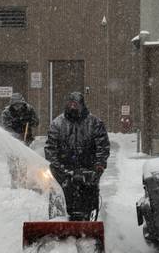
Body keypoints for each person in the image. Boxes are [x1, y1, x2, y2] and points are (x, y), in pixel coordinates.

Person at [44, 92, 110, 221]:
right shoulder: (57, 124)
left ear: (82, 105)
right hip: (63, 171)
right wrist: (60, 169)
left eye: (76, 104)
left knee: (88, 198)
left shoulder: (94, 123)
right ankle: (58, 221)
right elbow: (50, 149)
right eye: (71, 104)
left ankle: (89, 221)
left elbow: (103, 146)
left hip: (88, 169)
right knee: (60, 195)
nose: (73, 107)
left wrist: (98, 166)